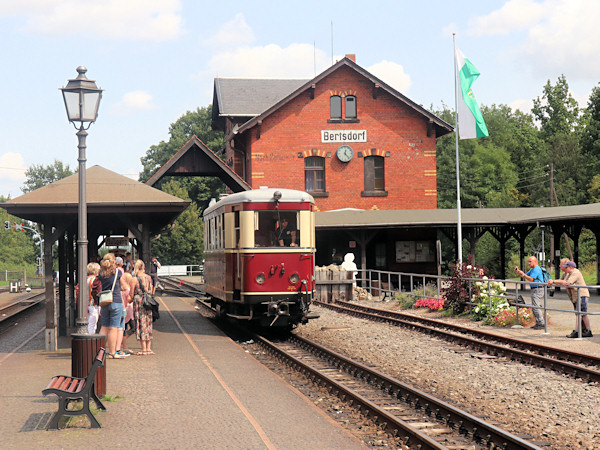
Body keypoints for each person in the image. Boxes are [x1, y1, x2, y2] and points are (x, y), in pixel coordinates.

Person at [97, 253, 130, 359]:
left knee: (104, 326)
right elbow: (124, 287)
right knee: (113, 328)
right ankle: (112, 352)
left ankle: (99, 352)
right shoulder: (117, 272)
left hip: (105, 302)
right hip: (116, 301)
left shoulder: (101, 273)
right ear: (113, 262)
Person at [549, 260, 593, 338]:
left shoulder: (575, 272)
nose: (565, 268)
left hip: (581, 295)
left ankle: (577, 331)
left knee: (579, 314)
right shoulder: (569, 273)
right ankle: (587, 330)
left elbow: (567, 282)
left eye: (566, 267)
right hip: (577, 296)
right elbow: (563, 281)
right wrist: (555, 282)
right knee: (582, 314)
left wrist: (555, 281)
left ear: (570, 267)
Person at [130, 259, 155, 355]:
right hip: (148, 302)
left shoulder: (134, 279)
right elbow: (151, 290)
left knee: (141, 323)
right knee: (148, 323)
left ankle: (143, 349)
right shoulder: (149, 278)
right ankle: (149, 348)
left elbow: (131, 294)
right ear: (143, 267)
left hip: (139, 302)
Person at [515, 256, 546, 330]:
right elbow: (526, 275)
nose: (528, 263)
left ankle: (541, 323)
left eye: (530, 261)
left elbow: (531, 279)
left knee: (535, 306)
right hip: (534, 289)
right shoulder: (532, 269)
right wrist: (519, 272)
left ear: (535, 262)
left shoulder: (536, 269)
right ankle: (538, 322)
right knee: (534, 306)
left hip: (538, 289)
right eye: (528, 261)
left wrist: (523, 274)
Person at [84, 262, 102, 334]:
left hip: (86, 304)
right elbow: (97, 292)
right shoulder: (95, 280)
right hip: (93, 304)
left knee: (88, 324)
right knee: (92, 325)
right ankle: (90, 340)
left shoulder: (85, 279)